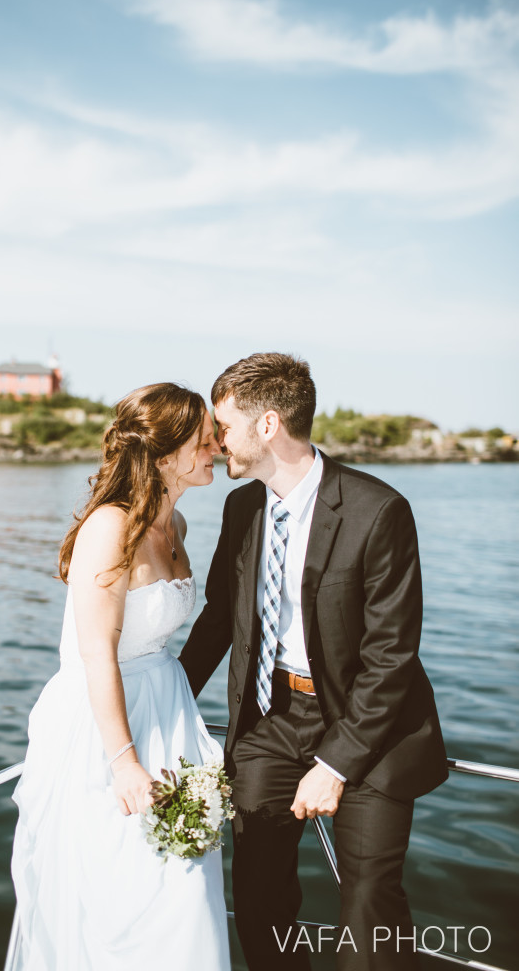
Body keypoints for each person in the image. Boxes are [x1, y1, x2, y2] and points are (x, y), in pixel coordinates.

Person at [179, 353, 449, 971]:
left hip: (370, 729)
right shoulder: (241, 509)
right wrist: (165, 699)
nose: (218, 442)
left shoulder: (378, 510)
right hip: (270, 722)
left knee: (369, 908)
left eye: (225, 426)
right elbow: (219, 619)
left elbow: (391, 658)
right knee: (257, 900)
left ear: (267, 425)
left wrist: (336, 763)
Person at [11, 383, 230, 971]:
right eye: (204, 437)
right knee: (126, 892)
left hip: (169, 712)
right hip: (109, 725)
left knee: (186, 891)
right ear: (165, 454)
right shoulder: (110, 528)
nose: (217, 445)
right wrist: (124, 762)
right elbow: (96, 655)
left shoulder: (176, 523)